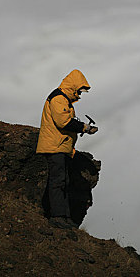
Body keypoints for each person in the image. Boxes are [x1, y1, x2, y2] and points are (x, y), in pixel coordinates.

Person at [36, 69, 98, 228]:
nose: (80, 94)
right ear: (74, 87)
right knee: (58, 181)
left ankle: (63, 216)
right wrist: (84, 127)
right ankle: (57, 217)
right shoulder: (58, 99)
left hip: (59, 146)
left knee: (62, 181)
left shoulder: (62, 99)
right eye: (79, 90)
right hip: (55, 146)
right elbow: (63, 122)